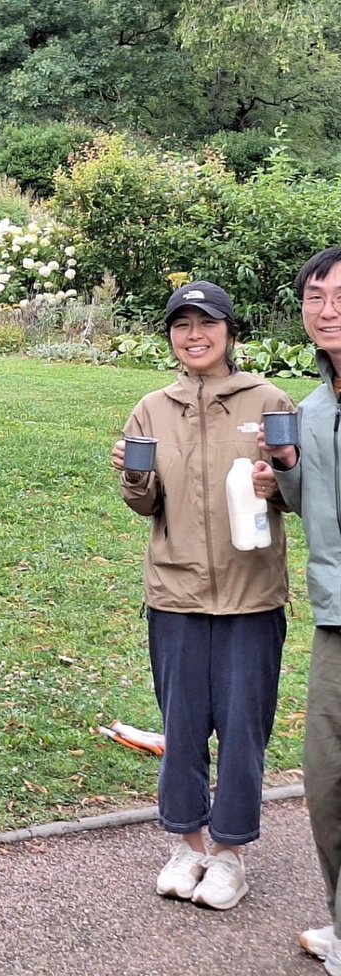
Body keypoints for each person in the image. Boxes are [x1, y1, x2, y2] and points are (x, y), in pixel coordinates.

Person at [112, 280, 293, 911]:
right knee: (182, 727)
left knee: (244, 729)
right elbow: (145, 504)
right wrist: (134, 475)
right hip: (176, 593)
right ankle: (186, 845)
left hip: (253, 596)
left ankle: (231, 854)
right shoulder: (152, 408)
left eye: (207, 323)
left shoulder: (268, 399)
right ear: (170, 335)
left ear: (229, 332)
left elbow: (298, 489)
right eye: (182, 324)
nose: (194, 335)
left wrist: (283, 478)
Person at [254, 248, 341, 967]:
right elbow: (314, 509)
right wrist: (282, 475)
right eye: (315, 297)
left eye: (340, 295)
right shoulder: (310, 412)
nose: (328, 309)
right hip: (337, 616)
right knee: (327, 777)